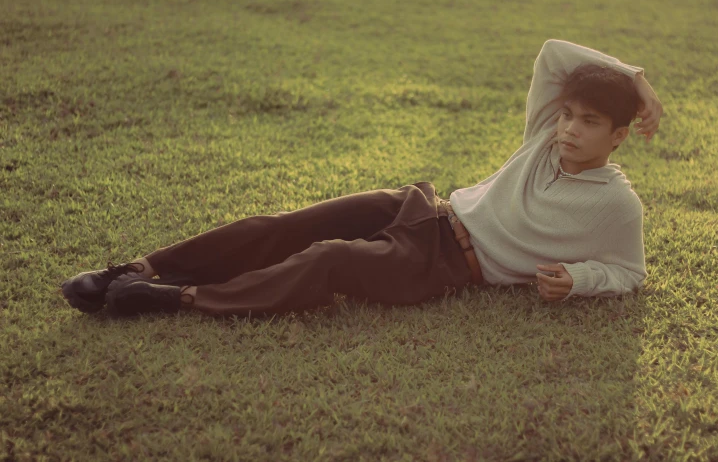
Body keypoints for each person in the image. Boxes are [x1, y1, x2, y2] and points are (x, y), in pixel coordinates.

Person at [60, 39, 663, 318]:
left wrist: (580, 280)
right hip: (428, 208)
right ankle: (146, 266)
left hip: (450, 265)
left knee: (327, 260)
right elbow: (555, 52)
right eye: (566, 116)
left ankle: (178, 299)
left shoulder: (617, 207)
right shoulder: (544, 136)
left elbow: (630, 273)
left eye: (588, 123)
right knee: (288, 224)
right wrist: (635, 79)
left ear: (618, 135)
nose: (568, 130)